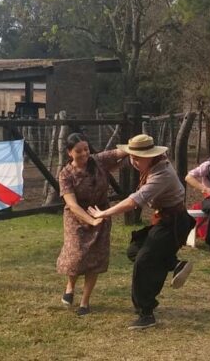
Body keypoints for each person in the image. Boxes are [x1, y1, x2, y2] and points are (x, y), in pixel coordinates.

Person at [87, 134, 195, 330]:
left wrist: (104, 213)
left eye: (138, 158)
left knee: (144, 262)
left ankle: (146, 313)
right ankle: (175, 263)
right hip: (164, 220)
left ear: (151, 155)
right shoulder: (148, 162)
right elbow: (116, 160)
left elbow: (133, 201)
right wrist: (91, 162)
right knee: (134, 251)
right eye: (132, 157)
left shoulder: (162, 175)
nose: (134, 162)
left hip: (174, 223)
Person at [56, 132, 128, 316]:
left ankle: (85, 302)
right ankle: (70, 286)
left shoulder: (97, 161)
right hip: (76, 217)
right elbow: (71, 204)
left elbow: (120, 152)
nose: (84, 154)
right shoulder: (65, 174)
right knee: (76, 257)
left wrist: (138, 147)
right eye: (78, 151)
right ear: (69, 153)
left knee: (95, 259)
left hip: (101, 212)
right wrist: (91, 220)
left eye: (86, 149)